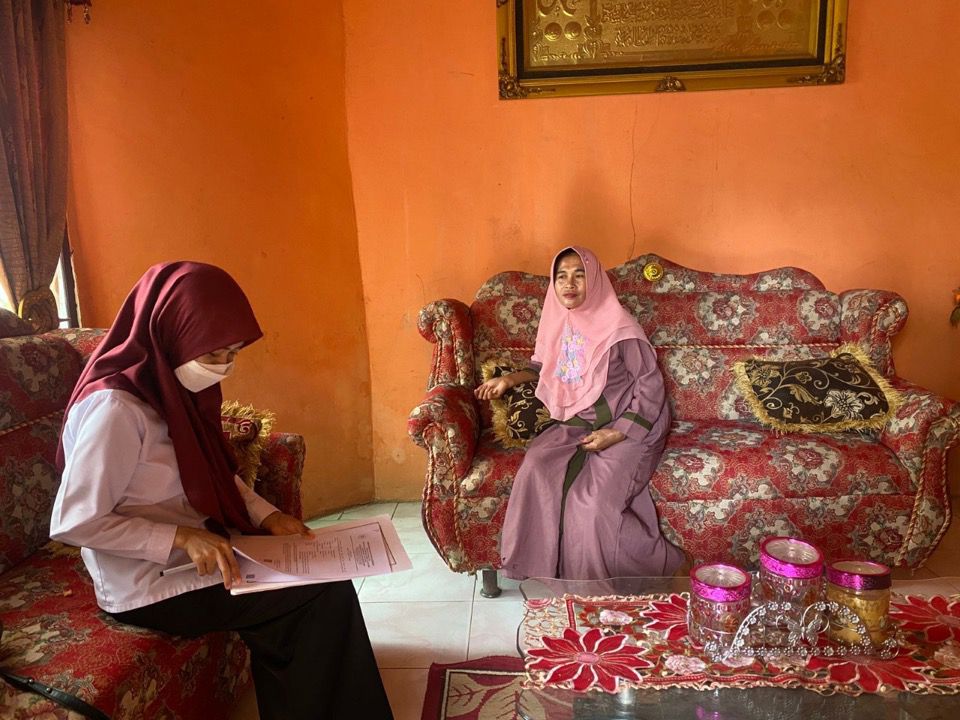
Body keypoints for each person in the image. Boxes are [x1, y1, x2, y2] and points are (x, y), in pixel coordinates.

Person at [49, 261, 393, 720]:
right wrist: (181, 537)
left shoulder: (176, 391)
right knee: (319, 595)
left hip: (205, 553)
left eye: (232, 353)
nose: (223, 367)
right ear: (171, 334)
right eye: (213, 354)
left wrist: (268, 516)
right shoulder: (115, 409)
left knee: (319, 586)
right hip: (148, 582)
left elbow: (213, 472)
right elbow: (74, 522)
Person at [475, 247, 683, 580]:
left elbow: (650, 383)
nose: (569, 284)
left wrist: (617, 432)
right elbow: (542, 366)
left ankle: (657, 571)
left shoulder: (618, 327)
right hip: (578, 420)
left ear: (595, 280)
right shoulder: (559, 321)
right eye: (561, 276)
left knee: (590, 504)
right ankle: (541, 570)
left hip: (631, 422)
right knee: (536, 468)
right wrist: (509, 380)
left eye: (579, 275)